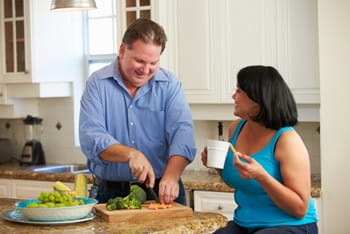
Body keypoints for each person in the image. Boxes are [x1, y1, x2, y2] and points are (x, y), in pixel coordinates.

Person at [79, 18, 196, 205]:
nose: (146, 70)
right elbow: (92, 137)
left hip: (162, 189)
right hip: (110, 193)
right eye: (140, 61)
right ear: (122, 50)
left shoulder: (169, 85)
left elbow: (183, 135)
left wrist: (172, 175)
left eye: (153, 63)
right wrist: (131, 154)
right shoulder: (97, 84)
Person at [201, 65, 318, 233]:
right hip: (245, 225)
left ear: (259, 99)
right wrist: (217, 166)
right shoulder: (236, 128)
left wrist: (263, 177)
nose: (234, 96)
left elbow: (299, 208)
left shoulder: (287, 140)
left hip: (291, 225)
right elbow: (239, 180)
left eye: (239, 91)